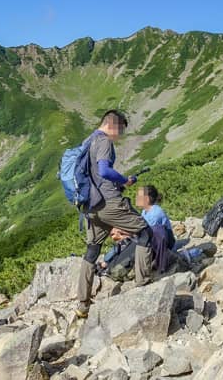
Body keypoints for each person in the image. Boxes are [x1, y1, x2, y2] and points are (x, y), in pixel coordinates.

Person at [75, 110, 153, 319]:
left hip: (91, 207)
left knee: (92, 250)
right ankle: (143, 286)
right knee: (145, 233)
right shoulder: (104, 141)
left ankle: (82, 304)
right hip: (108, 202)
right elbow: (104, 171)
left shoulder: (87, 141)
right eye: (121, 131)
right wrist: (124, 181)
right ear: (113, 125)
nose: (119, 136)